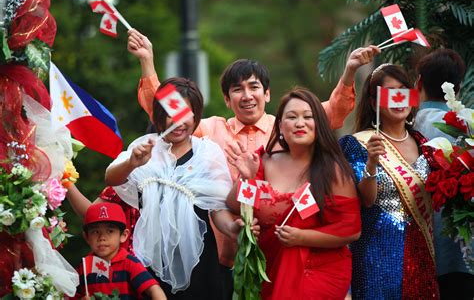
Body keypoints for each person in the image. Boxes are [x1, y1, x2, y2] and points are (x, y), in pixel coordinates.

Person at [127, 28, 380, 276]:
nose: (247, 95)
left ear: (267, 93)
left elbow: (333, 112)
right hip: (223, 252)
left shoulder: (286, 127)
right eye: (237, 89)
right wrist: (147, 61)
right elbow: (167, 116)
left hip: (281, 249)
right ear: (227, 99)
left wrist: (350, 71)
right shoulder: (210, 130)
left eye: (254, 87)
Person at [105, 77, 249, 299]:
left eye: (186, 114)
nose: (178, 122)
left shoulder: (207, 153)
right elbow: (111, 177)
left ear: (196, 116)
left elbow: (217, 209)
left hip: (199, 262)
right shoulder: (144, 148)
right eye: (171, 113)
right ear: (160, 115)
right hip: (149, 261)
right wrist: (131, 163)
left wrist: (232, 229)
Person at [225, 88, 361, 299]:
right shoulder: (263, 161)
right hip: (268, 269)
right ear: (280, 125)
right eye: (291, 117)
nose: (300, 123)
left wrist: (301, 237)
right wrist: (246, 177)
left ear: (319, 124)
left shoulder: (333, 171)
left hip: (319, 271)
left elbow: (350, 230)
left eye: (308, 117)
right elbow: (236, 205)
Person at [339, 64, 439, 299]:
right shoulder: (358, 144)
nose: (399, 98)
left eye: (403, 91)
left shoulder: (424, 144)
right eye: (390, 93)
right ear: (374, 103)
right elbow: (366, 199)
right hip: (375, 259)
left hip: (422, 253)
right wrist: (372, 163)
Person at [414, 49, 474, 299]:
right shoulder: (468, 124)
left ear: (418, 83)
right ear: (458, 88)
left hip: (422, 250)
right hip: (466, 249)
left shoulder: (406, 126)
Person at [75, 202, 166, 299]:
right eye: (95, 232)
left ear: (123, 235)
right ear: (86, 237)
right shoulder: (84, 266)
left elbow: (155, 290)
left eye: (110, 231)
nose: (102, 237)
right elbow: (69, 295)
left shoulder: (130, 263)